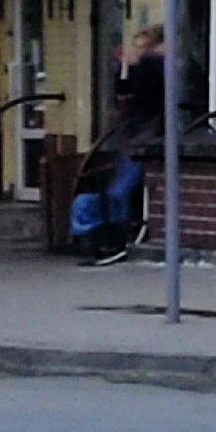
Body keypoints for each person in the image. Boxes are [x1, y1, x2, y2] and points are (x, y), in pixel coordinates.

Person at [81, 26, 170, 266]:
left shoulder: (152, 67)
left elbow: (131, 94)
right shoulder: (153, 67)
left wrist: (130, 68)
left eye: (144, 47)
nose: (140, 52)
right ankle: (116, 233)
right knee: (124, 184)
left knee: (123, 186)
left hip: (143, 133)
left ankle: (116, 235)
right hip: (138, 133)